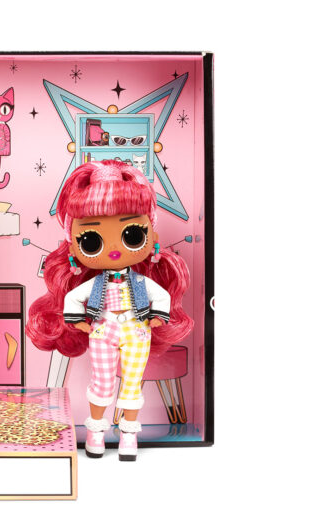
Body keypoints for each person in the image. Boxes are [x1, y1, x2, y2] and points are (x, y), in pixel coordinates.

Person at [26, 160, 193, 461]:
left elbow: (161, 297)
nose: (115, 250)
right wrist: (81, 323)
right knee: (101, 382)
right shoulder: (96, 283)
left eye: (132, 235)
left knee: (132, 382)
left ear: (151, 237)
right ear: (73, 246)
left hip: (136, 330)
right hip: (103, 330)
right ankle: (95, 432)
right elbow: (73, 298)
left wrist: (156, 318)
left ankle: (129, 434)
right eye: (91, 241)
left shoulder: (140, 282)